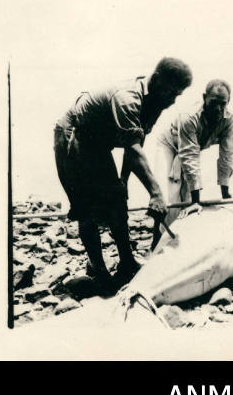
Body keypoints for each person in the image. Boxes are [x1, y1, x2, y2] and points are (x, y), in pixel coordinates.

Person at [54, 57, 192, 294]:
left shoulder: (156, 104)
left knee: (117, 200)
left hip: (98, 143)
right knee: (85, 208)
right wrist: (156, 193)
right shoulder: (127, 98)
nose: (172, 100)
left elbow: (134, 146)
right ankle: (99, 271)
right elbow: (134, 149)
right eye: (170, 92)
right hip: (73, 134)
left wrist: (124, 181)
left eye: (177, 95)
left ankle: (126, 264)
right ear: (157, 80)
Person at [151, 79, 233, 250]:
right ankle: (155, 243)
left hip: (189, 150)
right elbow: (190, 156)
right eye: (214, 103)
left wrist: (225, 194)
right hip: (169, 145)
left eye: (223, 104)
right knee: (168, 198)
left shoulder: (229, 120)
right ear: (205, 98)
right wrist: (197, 201)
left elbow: (226, 156)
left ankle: (179, 243)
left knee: (187, 202)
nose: (218, 109)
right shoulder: (189, 116)